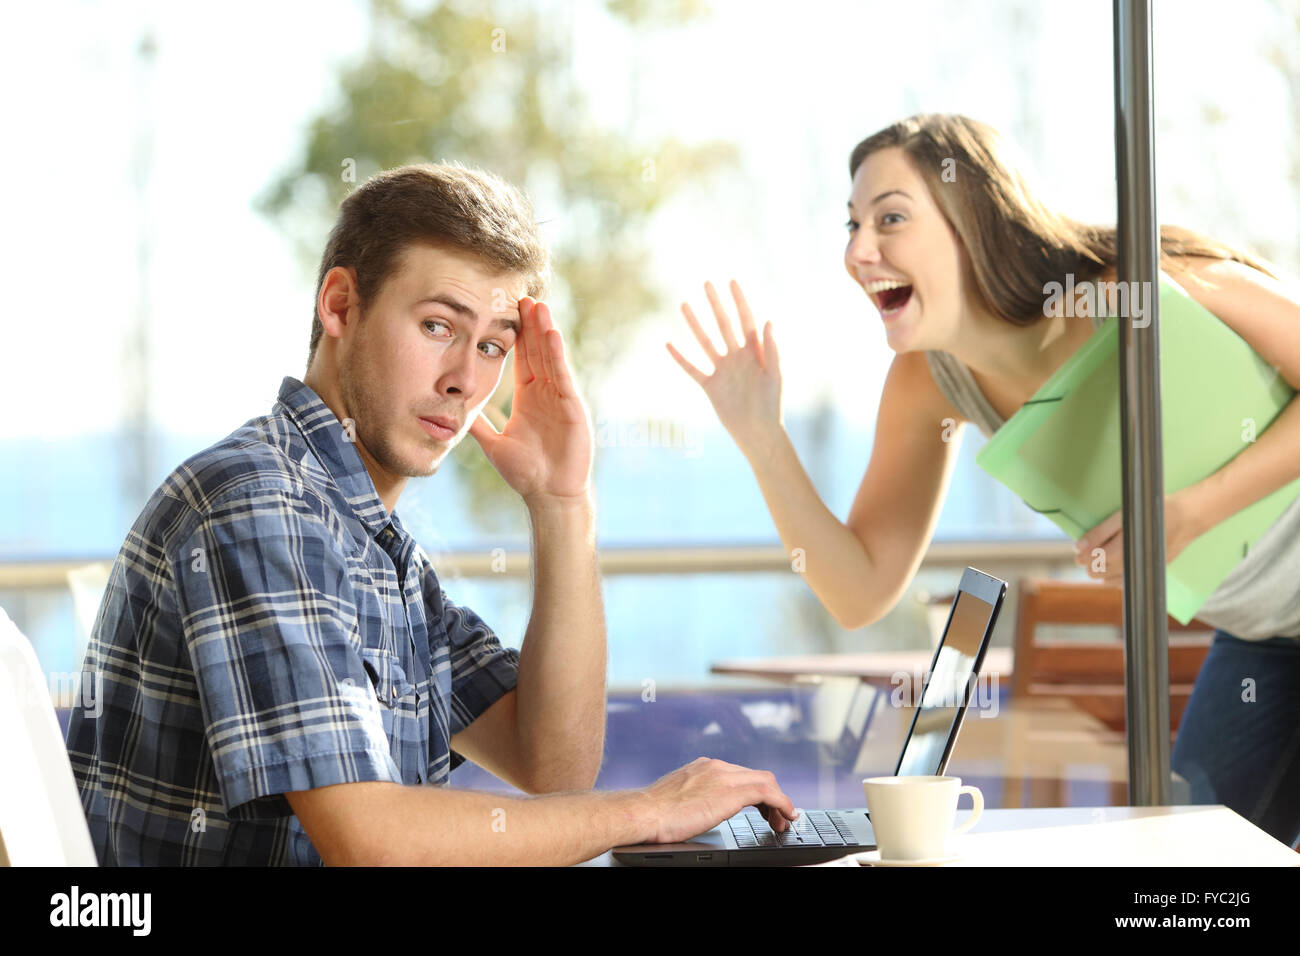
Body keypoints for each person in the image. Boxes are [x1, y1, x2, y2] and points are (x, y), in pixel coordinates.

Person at [65, 162, 797, 866]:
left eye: (490, 346)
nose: (465, 381)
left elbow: (553, 766)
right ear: (341, 305)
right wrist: (651, 811)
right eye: (438, 327)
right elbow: (372, 843)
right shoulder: (260, 503)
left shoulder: (377, 548)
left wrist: (563, 504)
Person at [667, 113, 1300, 849]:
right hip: (1266, 636)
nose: (857, 251)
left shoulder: (1132, 286)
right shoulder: (928, 382)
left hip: (1261, 627)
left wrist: (1192, 509)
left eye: (890, 218)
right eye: (851, 225)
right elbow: (861, 589)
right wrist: (763, 439)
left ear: (974, 215)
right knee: (1194, 870)